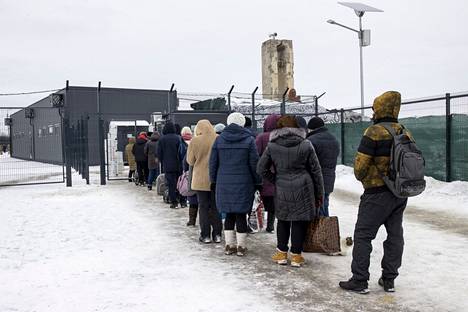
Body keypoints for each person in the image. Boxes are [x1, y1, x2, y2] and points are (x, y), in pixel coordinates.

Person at [339, 91, 409, 294]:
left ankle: (360, 280)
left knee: (363, 235)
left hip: (376, 193)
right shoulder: (404, 131)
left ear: (379, 108)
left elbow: (360, 166)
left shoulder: (374, 132)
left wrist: (365, 179)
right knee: (395, 236)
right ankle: (389, 280)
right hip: (399, 192)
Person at [257, 115, 324, 267]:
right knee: (299, 221)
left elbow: (261, 168)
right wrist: (319, 193)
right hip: (304, 186)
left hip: (282, 186)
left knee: (283, 219)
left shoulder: (272, 146)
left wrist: (276, 179)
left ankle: (281, 254)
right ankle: (296, 256)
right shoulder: (306, 144)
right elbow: (316, 171)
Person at [210, 112, 261, 256]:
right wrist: (257, 182)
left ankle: (229, 245)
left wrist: (213, 180)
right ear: (242, 123)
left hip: (223, 182)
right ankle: (241, 247)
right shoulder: (249, 140)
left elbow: (213, 163)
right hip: (244, 182)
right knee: (240, 214)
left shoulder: (219, 140)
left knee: (229, 214)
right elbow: (254, 163)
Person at [187, 120, 223, 244]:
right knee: (216, 206)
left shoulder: (195, 141)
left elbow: (190, 161)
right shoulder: (218, 138)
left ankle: (205, 235)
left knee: (203, 207)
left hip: (200, 180)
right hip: (216, 179)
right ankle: (217, 234)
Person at [306, 117, 340, 216]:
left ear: (311, 128)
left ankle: (319, 231)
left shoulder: (311, 140)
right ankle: (326, 229)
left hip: (316, 180)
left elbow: (308, 162)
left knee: (318, 209)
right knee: (325, 205)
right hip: (329, 179)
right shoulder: (333, 139)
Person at [255, 114, 281, 233]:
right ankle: (270, 226)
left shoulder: (261, 137)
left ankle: (257, 223)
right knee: (273, 204)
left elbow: (255, 155)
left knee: (259, 201)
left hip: (263, 174)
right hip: (277, 174)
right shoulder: (281, 137)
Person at [157, 121, 182, 208]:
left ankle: (174, 202)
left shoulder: (162, 139)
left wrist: (162, 160)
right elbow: (181, 152)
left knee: (171, 184)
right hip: (178, 164)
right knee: (179, 183)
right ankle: (182, 201)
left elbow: (159, 153)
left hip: (167, 165)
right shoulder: (178, 138)